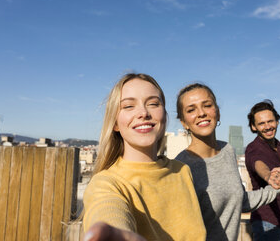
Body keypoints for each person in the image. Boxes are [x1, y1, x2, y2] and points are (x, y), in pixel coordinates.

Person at [82, 74, 206, 241]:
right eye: (128, 106)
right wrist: (115, 233)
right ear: (116, 123)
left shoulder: (182, 170)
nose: (143, 113)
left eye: (153, 103)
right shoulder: (105, 184)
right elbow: (107, 210)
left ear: (164, 115)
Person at [175, 83, 280, 241]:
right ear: (184, 122)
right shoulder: (180, 167)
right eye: (191, 110)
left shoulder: (227, 150)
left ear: (218, 113)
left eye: (207, 105)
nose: (201, 113)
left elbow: (240, 201)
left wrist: (274, 187)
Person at [245, 99, 280, 241]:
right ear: (253, 127)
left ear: (277, 121)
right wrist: (268, 175)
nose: (267, 126)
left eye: (270, 121)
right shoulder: (254, 148)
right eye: (261, 123)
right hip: (266, 222)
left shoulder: (278, 144)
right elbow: (257, 163)